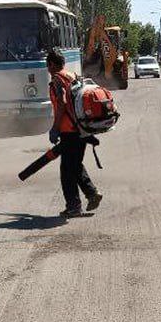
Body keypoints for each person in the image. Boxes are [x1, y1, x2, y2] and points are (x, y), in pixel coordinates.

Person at [46, 47, 102, 218]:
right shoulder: (71, 75)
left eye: (47, 65)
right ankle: (92, 194)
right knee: (75, 165)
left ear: (52, 64)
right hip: (81, 128)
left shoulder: (57, 79)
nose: (47, 69)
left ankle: (73, 206)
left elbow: (62, 103)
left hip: (68, 130)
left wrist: (55, 127)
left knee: (66, 171)